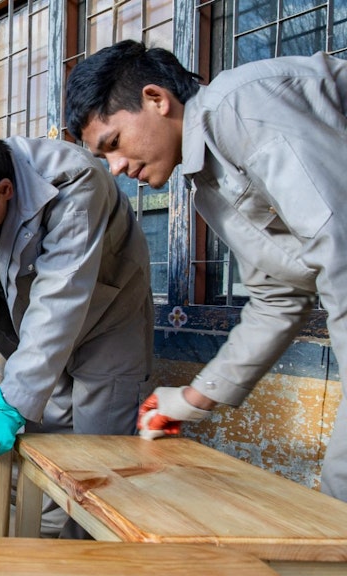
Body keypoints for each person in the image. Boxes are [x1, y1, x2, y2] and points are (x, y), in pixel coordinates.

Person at [64, 40, 347, 501]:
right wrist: (195, 398)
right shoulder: (209, 184)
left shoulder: (241, 105)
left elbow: (341, 248)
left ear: (157, 99)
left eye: (113, 144)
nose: (115, 167)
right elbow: (277, 300)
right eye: (103, 158)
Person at [0, 121, 154, 474]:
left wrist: (11, 402)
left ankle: (83, 531)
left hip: (106, 325)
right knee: (42, 450)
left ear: (4, 190)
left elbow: (61, 296)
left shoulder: (73, 180)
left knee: (98, 459)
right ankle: (44, 530)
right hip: (28, 334)